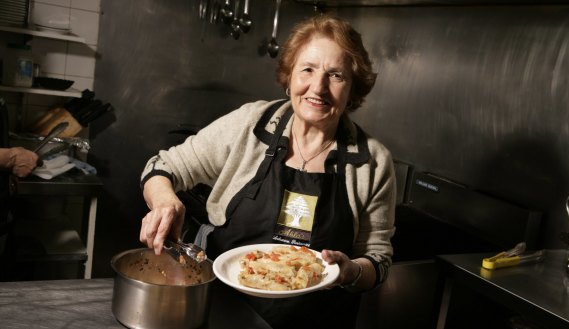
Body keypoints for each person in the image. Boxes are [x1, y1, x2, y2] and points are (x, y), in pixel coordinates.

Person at [139, 14, 396, 329]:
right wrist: (165, 200)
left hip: (319, 319)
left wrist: (350, 272)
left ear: (353, 88)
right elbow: (164, 166)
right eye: (308, 69)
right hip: (222, 312)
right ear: (289, 77)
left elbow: (377, 260)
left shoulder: (373, 162)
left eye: (336, 75)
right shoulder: (251, 124)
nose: (318, 87)